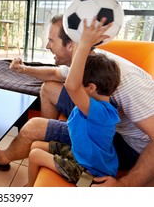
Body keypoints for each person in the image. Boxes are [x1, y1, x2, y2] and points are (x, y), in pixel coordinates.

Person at [0, 14, 154, 187]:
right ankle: (9, 157)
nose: (47, 46)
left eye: (51, 40)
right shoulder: (94, 63)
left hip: (128, 147)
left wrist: (123, 185)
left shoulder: (128, 84)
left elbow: (72, 85)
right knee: (48, 88)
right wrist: (24, 69)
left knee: (34, 135)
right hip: (100, 132)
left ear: (72, 45)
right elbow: (56, 74)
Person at [26, 18, 121, 186]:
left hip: (89, 171)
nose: (74, 84)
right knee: (36, 146)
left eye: (80, 83)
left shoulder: (99, 112)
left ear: (91, 88)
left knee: (35, 155)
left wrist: (84, 44)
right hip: (80, 155)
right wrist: (78, 39)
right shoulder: (99, 105)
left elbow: (71, 85)